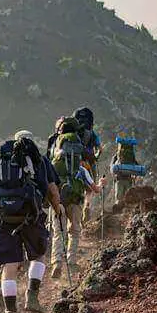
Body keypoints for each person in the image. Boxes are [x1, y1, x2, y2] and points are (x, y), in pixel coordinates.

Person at [0, 133, 63, 313]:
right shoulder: (39, 159)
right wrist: (58, 210)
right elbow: (52, 189)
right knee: (39, 256)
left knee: (9, 267)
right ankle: (32, 296)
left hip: (5, 219)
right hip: (31, 216)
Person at [49, 117, 106, 279]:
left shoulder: (54, 161)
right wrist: (101, 183)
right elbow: (95, 189)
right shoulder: (81, 169)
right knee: (74, 231)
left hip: (58, 198)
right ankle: (72, 261)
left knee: (58, 232)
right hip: (76, 198)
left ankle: (57, 262)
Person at [73, 107, 102, 223]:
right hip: (89, 163)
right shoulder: (92, 133)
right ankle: (87, 206)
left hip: (76, 162)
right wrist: (95, 157)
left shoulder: (74, 133)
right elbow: (100, 149)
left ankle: (77, 210)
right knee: (90, 188)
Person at [113, 133, 139, 210]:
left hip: (119, 179)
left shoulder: (117, 156)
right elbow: (136, 166)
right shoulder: (131, 156)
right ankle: (127, 213)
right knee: (128, 198)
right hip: (129, 179)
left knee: (119, 198)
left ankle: (118, 212)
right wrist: (135, 176)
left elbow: (112, 167)